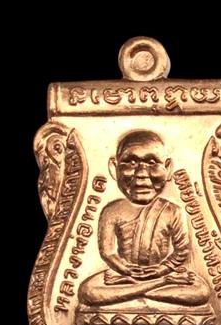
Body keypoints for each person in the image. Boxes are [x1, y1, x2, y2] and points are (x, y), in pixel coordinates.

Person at [78, 130, 210, 307]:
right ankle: (151, 287)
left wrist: (161, 270)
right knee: (88, 291)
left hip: (163, 274)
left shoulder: (173, 211)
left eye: (152, 163)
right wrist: (125, 269)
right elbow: (108, 252)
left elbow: (181, 251)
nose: (141, 173)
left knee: (201, 291)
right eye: (131, 162)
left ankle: (138, 289)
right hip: (123, 275)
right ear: (113, 168)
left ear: (168, 168)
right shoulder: (111, 211)